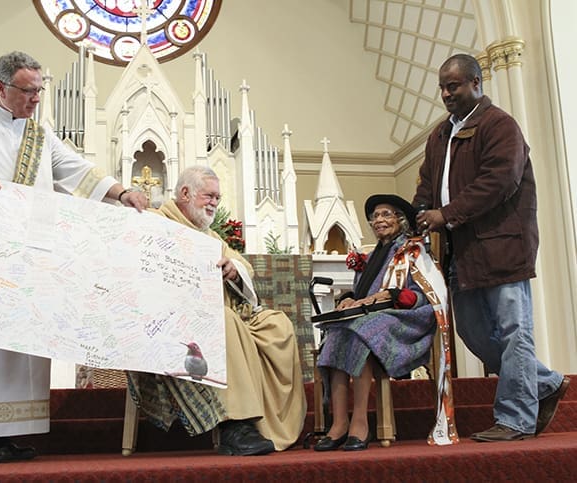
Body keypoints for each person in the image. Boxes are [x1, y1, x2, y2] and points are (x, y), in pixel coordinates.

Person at [0, 51, 148, 464]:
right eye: (28, 91)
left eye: (40, 90)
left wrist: (121, 193)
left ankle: (1, 433)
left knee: (13, 348)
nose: (36, 98)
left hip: (18, 259)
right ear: (1, 88)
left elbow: (75, 170)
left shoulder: (38, 135)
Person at [414, 53, 569, 442]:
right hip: (461, 252)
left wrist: (445, 214)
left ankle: (515, 418)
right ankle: (546, 381)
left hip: (502, 247)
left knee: (514, 331)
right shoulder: (439, 136)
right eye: (443, 88)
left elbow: (499, 182)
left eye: (455, 86)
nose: (447, 94)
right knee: (472, 331)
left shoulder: (499, 125)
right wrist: (414, 213)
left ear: (476, 84)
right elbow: (426, 186)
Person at [127, 165, 307, 456]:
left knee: (277, 325)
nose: (214, 202)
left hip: (219, 316)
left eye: (217, 198)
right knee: (224, 321)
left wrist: (234, 270)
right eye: (208, 196)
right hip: (171, 324)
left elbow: (242, 265)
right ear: (185, 193)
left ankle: (269, 425)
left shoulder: (210, 236)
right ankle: (235, 425)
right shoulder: (154, 223)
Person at [315, 194, 452, 451]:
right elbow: (363, 295)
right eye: (376, 216)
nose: (379, 220)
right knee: (337, 332)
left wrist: (393, 295)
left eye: (386, 214)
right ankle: (339, 423)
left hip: (408, 321)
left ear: (400, 221)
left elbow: (426, 295)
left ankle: (360, 422)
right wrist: (348, 299)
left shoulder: (413, 251)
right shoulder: (374, 255)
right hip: (373, 317)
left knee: (361, 331)